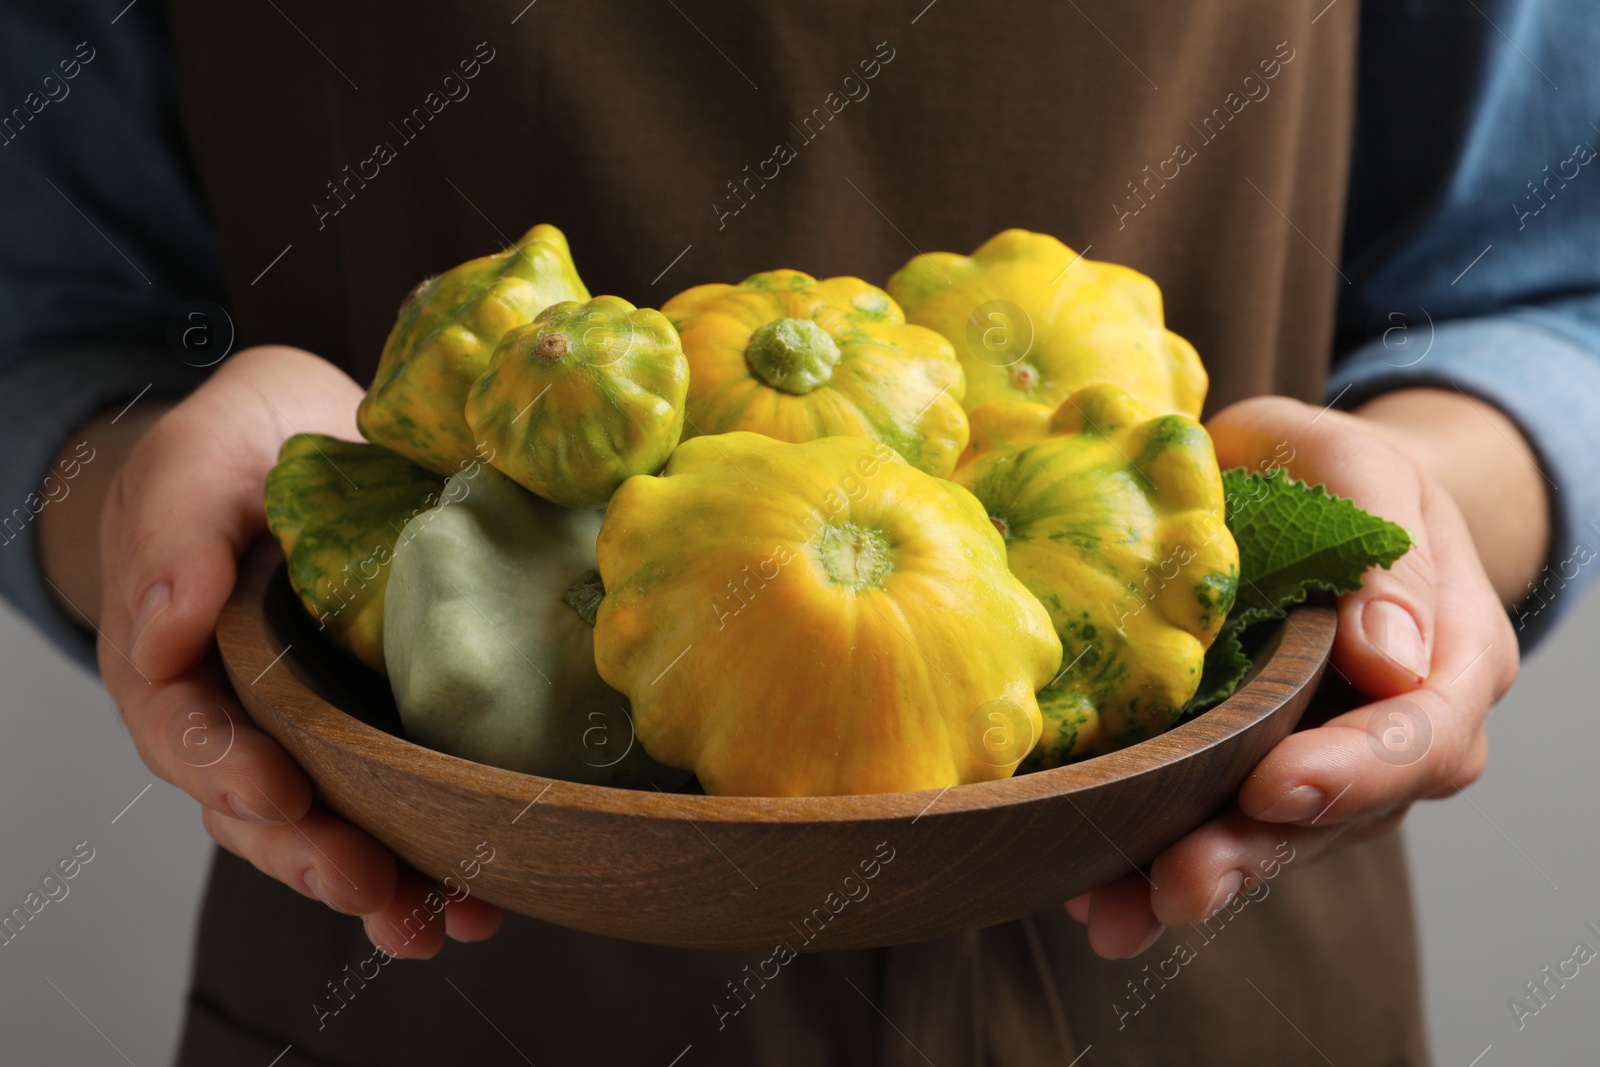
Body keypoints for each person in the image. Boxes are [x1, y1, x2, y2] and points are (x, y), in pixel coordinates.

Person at [3, 0, 1596, 1062]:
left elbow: (1546, 272)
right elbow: (45, 309)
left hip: (1212, 965)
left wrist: (1422, 505)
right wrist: (140, 485)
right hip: (440, 988)